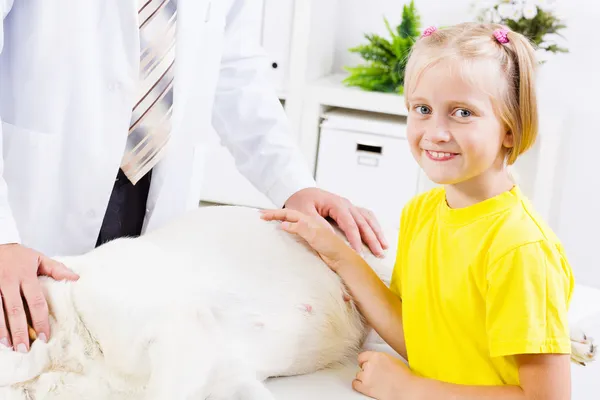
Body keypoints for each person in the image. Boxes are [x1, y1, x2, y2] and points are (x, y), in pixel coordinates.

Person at [0, 1, 388, 354]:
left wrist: (293, 183)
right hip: (29, 202)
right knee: (32, 356)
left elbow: (232, 65)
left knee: (124, 354)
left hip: (153, 187)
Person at [261, 22, 575, 399]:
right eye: (422, 109)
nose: (436, 131)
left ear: (510, 128)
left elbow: (547, 398)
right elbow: (419, 337)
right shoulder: (422, 212)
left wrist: (409, 389)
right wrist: (336, 252)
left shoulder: (520, 249)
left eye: (462, 113)